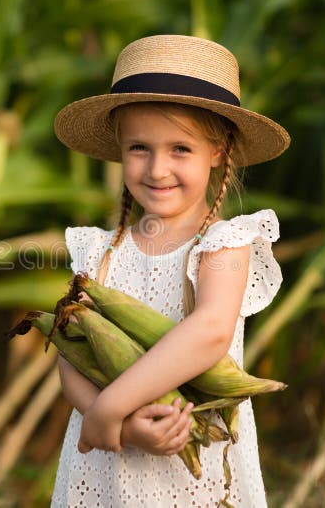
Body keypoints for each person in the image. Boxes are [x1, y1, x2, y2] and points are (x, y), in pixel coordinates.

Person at [50, 35, 290, 507]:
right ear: (120, 149)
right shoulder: (99, 252)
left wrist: (111, 408)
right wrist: (114, 425)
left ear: (219, 150)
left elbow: (210, 331)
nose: (158, 168)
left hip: (192, 468)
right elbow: (70, 352)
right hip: (108, 466)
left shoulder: (224, 242)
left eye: (180, 149)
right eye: (140, 148)